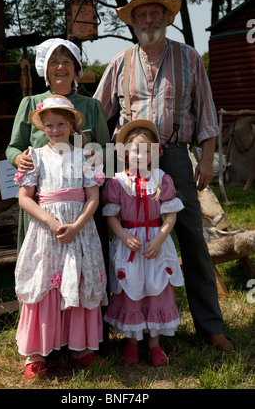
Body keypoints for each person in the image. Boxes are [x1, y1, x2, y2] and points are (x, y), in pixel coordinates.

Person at [93, 0, 233, 352]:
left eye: (155, 13)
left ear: (167, 18)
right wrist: (81, 156)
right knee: (119, 240)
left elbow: (206, 114)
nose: (149, 20)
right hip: (126, 164)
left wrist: (205, 159)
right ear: (133, 22)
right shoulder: (119, 62)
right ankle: (117, 328)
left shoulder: (189, 59)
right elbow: (97, 113)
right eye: (142, 15)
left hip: (172, 158)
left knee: (191, 238)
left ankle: (210, 327)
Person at [14, 95, 108, 379]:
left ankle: (81, 348)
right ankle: (36, 354)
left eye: (61, 124)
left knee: (79, 280)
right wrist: (51, 222)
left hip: (80, 231)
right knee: (44, 284)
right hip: (47, 231)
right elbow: (24, 198)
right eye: (50, 125)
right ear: (43, 127)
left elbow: (93, 197)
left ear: (71, 126)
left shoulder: (85, 156)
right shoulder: (36, 156)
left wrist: (78, 224)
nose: (55, 130)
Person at [6, 38, 110, 256]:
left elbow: (107, 151)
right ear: (45, 69)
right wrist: (18, 159)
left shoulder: (92, 106)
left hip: (83, 205)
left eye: (66, 62)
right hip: (40, 204)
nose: (60, 67)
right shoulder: (31, 104)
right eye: (54, 62)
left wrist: (95, 156)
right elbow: (13, 147)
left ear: (76, 69)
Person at [102, 120, 184, 366]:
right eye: (136, 150)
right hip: (130, 244)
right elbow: (111, 216)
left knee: (156, 287)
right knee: (131, 288)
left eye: (147, 150)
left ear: (155, 152)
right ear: (126, 153)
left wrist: (160, 238)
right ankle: (131, 342)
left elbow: (170, 214)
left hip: (155, 245)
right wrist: (124, 236)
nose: (140, 155)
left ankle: (154, 344)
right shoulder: (117, 182)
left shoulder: (162, 179)